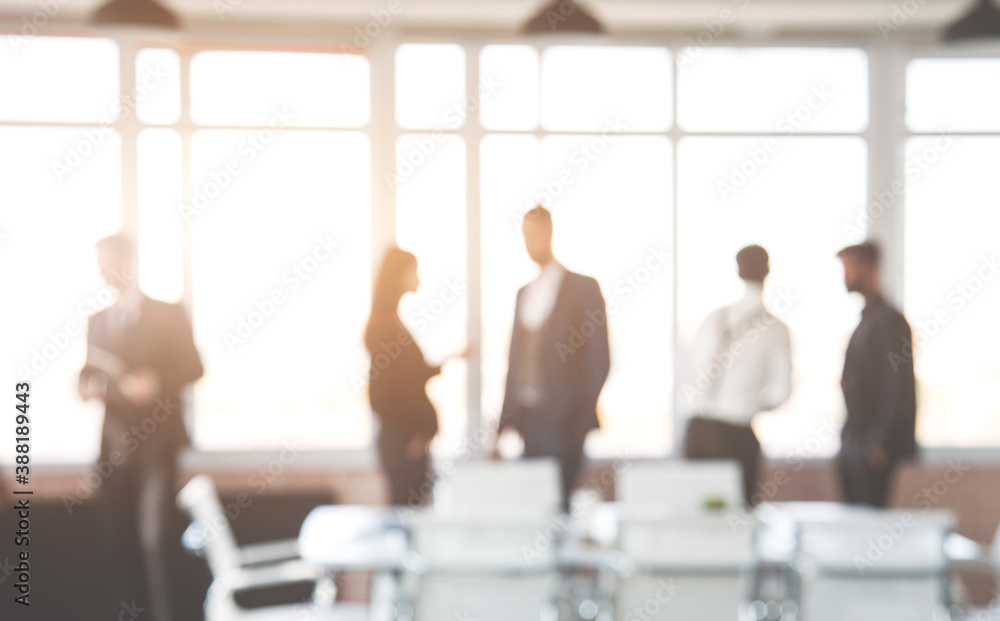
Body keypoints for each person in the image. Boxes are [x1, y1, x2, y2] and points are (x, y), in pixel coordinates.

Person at [79, 234, 203, 621]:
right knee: (120, 544)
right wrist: (86, 384)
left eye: (110, 263)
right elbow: (90, 370)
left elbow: (195, 367)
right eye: (100, 265)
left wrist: (156, 381)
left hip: (157, 446)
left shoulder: (168, 312)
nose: (105, 272)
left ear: (129, 262)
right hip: (115, 450)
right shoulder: (97, 321)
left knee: (156, 541)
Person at [495, 206, 611, 511]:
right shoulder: (523, 293)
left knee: (560, 507)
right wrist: (503, 425)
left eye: (532, 234)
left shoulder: (584, 288)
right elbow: (515, 364)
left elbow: (600, 357)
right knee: (532, 506)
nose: (528, 243)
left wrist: (582, 417)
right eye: (523, 236)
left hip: (565, 422)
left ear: (548, 233)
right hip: (528, 422)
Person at [684, 245, 792, 505]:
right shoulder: (776, 329)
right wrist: (752, 401)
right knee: (738, 517)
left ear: (738, 271)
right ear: (767, 271)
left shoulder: (712, 319)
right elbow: (781, 392)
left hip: (697, 431)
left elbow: (689, 377)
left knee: (696, 513)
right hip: (736, 436)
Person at [365, 247, 459, 508]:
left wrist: (451, 358)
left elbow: (409, 376)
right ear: (398, 275)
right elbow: (383, 394)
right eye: (414, 272)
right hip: (403, 445)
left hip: (408, 443)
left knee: (414, 516)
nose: (418, 279)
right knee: (407, 516)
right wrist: (413, 436)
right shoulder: (384, 329)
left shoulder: (391, 324)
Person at [837, 241, 917, 507]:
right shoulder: (866, 320)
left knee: (871, 528)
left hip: (874, 450)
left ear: (869, 267)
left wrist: (880, 442)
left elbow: (898, 386)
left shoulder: (891, 322)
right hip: (856, 445)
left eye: (848, 268)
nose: (845, 277)